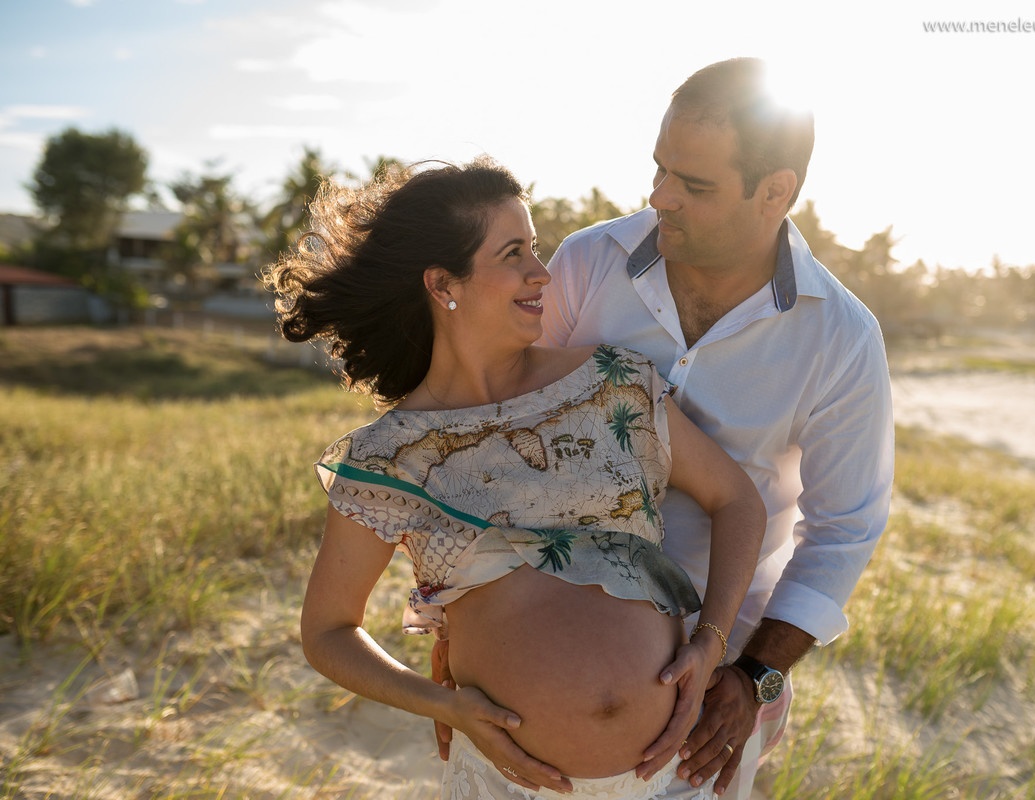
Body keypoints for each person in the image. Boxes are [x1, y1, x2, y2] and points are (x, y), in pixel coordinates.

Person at [265, 157, 766, 799]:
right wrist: (441, 706)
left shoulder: (612, 381)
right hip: (504, 785)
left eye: (535, 248)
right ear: (444, 283)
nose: (542, 273)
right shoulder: (393, 456)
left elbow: (738, 500)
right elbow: (328, 632)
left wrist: (710, 645)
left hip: (671, 773)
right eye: (514, 254)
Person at [537, 58, 895, 797]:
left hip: (711, 674)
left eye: (694, 186)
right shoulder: (585, 264)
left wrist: (755, 677)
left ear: (776, 192)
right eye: (660, 169)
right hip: (545, 625)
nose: (659, 197)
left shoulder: (843, 339)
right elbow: (510, 430)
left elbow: (844, 531)